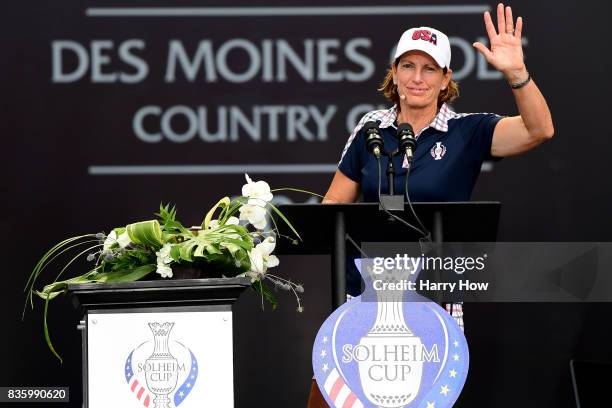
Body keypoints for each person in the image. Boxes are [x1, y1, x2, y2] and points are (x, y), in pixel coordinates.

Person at [309, 3, 554, 407]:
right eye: (408, 66)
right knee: (339, 396)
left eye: (429, 69)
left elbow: (539, 129)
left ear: (446, 80)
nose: (417, 78)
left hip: (433, 296)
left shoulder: (468, 131)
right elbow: (336, 201)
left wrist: (516, 74)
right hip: (364, 293)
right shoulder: (371, 128)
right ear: (394, 73)